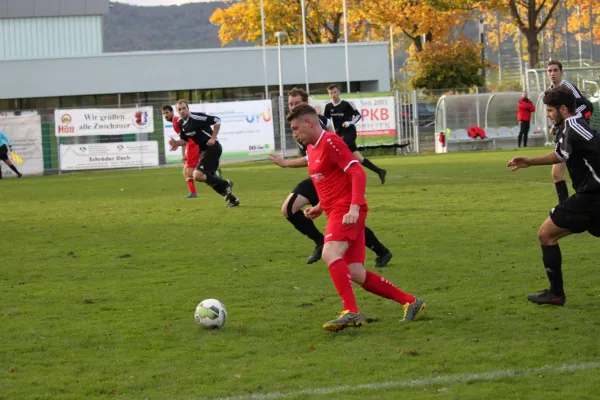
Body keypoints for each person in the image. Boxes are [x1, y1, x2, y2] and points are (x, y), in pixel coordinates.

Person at [287, 103, 425, 331]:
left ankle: (351, 312)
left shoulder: (330, 141)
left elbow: (356, 172)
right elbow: (329, 180)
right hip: (336, 210)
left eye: (295, 128)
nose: (295, 133)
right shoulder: (311, 148)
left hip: (347, 210)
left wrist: (354, 208)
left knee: (329, 252)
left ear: (309, 123)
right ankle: (411, 302)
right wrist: (320, 207)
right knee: (355, 272)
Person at [269, 88, 394, 268]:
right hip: (317, 177)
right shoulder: (297, 124)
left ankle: (378, 251)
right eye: (290, 104)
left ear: (306, 104)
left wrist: (286, 163)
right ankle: (322, 242)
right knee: (289, 209)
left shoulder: (316, 123)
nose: (292, 106)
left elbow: (332, 147)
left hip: (330, 177)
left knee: (347, 220)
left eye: (296, 103)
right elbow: (312, 156)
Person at [507, 86, 600, 306]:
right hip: (591, 196)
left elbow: (595, 143)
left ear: (563, 108)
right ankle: (555, 293)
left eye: (550, 110)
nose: (548, 115)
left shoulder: (576, 127)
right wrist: (530, 161)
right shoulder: (568, 126)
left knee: (546, 234)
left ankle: (556, 294)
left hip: (592, 196)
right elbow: (559, 154)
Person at [168, 100, 240, 208]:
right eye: (179, 109)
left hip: (212, 148)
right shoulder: (181, 123)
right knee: (209, 180)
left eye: (184, 108)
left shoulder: (196, 118)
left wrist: (213, 138)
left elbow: (217, 120)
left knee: (197, 175)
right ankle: (233, 200)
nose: (182, 111)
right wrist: (176, 143)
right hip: (203, 151)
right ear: (177, 111)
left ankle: (225, 183)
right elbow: (185, 140)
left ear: (188, 108)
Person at [546, 60, 594, 205]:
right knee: (557, 173)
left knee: (580, 172)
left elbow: (585, 106)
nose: (552, 73)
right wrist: (556, 125)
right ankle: (565, 207)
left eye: (555, 70)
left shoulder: (567, 87)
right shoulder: (550, 90)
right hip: (564, 131)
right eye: (550, 71)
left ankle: (568, 208)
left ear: (562, 72)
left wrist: (570, 122)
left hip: (575, 134)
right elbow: (559, 114)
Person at [324, 84, 387, 184]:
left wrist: (350, 123)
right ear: (329, 94)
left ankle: (350, 176)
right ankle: (380, 171)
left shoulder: (346, 104)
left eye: (335, 92)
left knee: (342, 148)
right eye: (331, 93)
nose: (333, 95)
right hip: (339, 134)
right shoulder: (328, 106)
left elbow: (358, 115)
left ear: (339, 92)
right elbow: (326, 122)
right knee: (358, 158)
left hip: (349, 132)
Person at [162, 105, 199, 198]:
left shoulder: (177, 121)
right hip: (190, 145)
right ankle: (193, 193)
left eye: (167, 112)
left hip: (193, 145)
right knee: (185, 172)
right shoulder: (175, 122)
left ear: (172, 112)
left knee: (190, 172)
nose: (165, 115)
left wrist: (183, 153)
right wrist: (177, 145)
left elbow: (186, 138)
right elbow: (183, 139)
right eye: (164, 113)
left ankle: (213, 173)